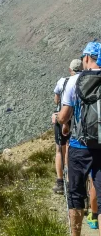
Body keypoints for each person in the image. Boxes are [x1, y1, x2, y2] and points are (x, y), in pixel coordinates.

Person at [52, 42, 101, 236]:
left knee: (75, 196)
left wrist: (57, 119)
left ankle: (76, 234)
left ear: (87, 58)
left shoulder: (75, 81)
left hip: (79, 146)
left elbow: (64, 116)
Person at [53, 59, 83, 194]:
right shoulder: (85, 81)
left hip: (63, 116)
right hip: (78, 120)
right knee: (71, 148)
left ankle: (60, 182)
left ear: (70, 70)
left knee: (60, 149)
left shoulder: (63, 81)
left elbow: (56, 100)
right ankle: (71, 179)